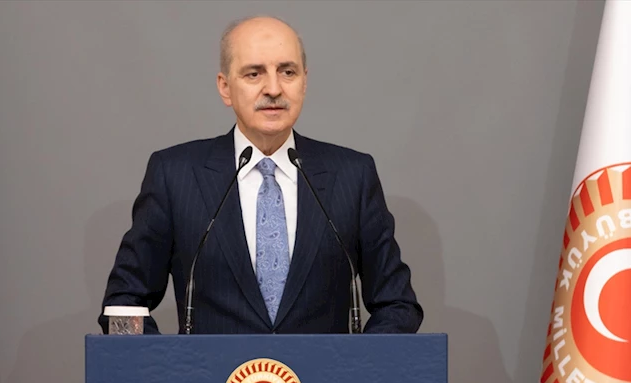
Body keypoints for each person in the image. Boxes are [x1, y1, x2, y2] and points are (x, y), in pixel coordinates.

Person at [98, 15, 423, 334]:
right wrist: (162, 364)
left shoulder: (352, 176)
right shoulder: (175, 176)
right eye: (254, 74)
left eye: (288, 72)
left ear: (304, 82)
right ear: (225, 87)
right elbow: (123, 305)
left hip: (327, 371)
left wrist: (359, 364)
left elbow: (398, 305)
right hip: (208, 372)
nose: (274, 88)